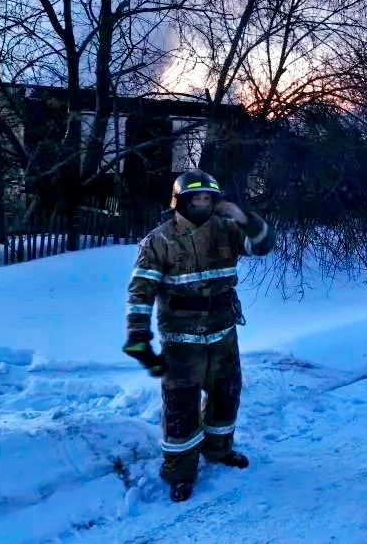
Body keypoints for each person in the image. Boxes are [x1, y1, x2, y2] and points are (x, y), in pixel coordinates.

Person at [122, 170, 275, 502]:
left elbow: (263, 245)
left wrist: (243, 217)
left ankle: (219, 450)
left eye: (208, 198)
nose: (202, 204)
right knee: (181, 408)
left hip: (223, 332)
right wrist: (137, 336)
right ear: (180, 201)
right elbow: (140, 291)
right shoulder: (159, 240)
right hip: (181, 339)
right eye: (196, 198)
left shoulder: (227, 230)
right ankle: (180, 472)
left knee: (226, 394)